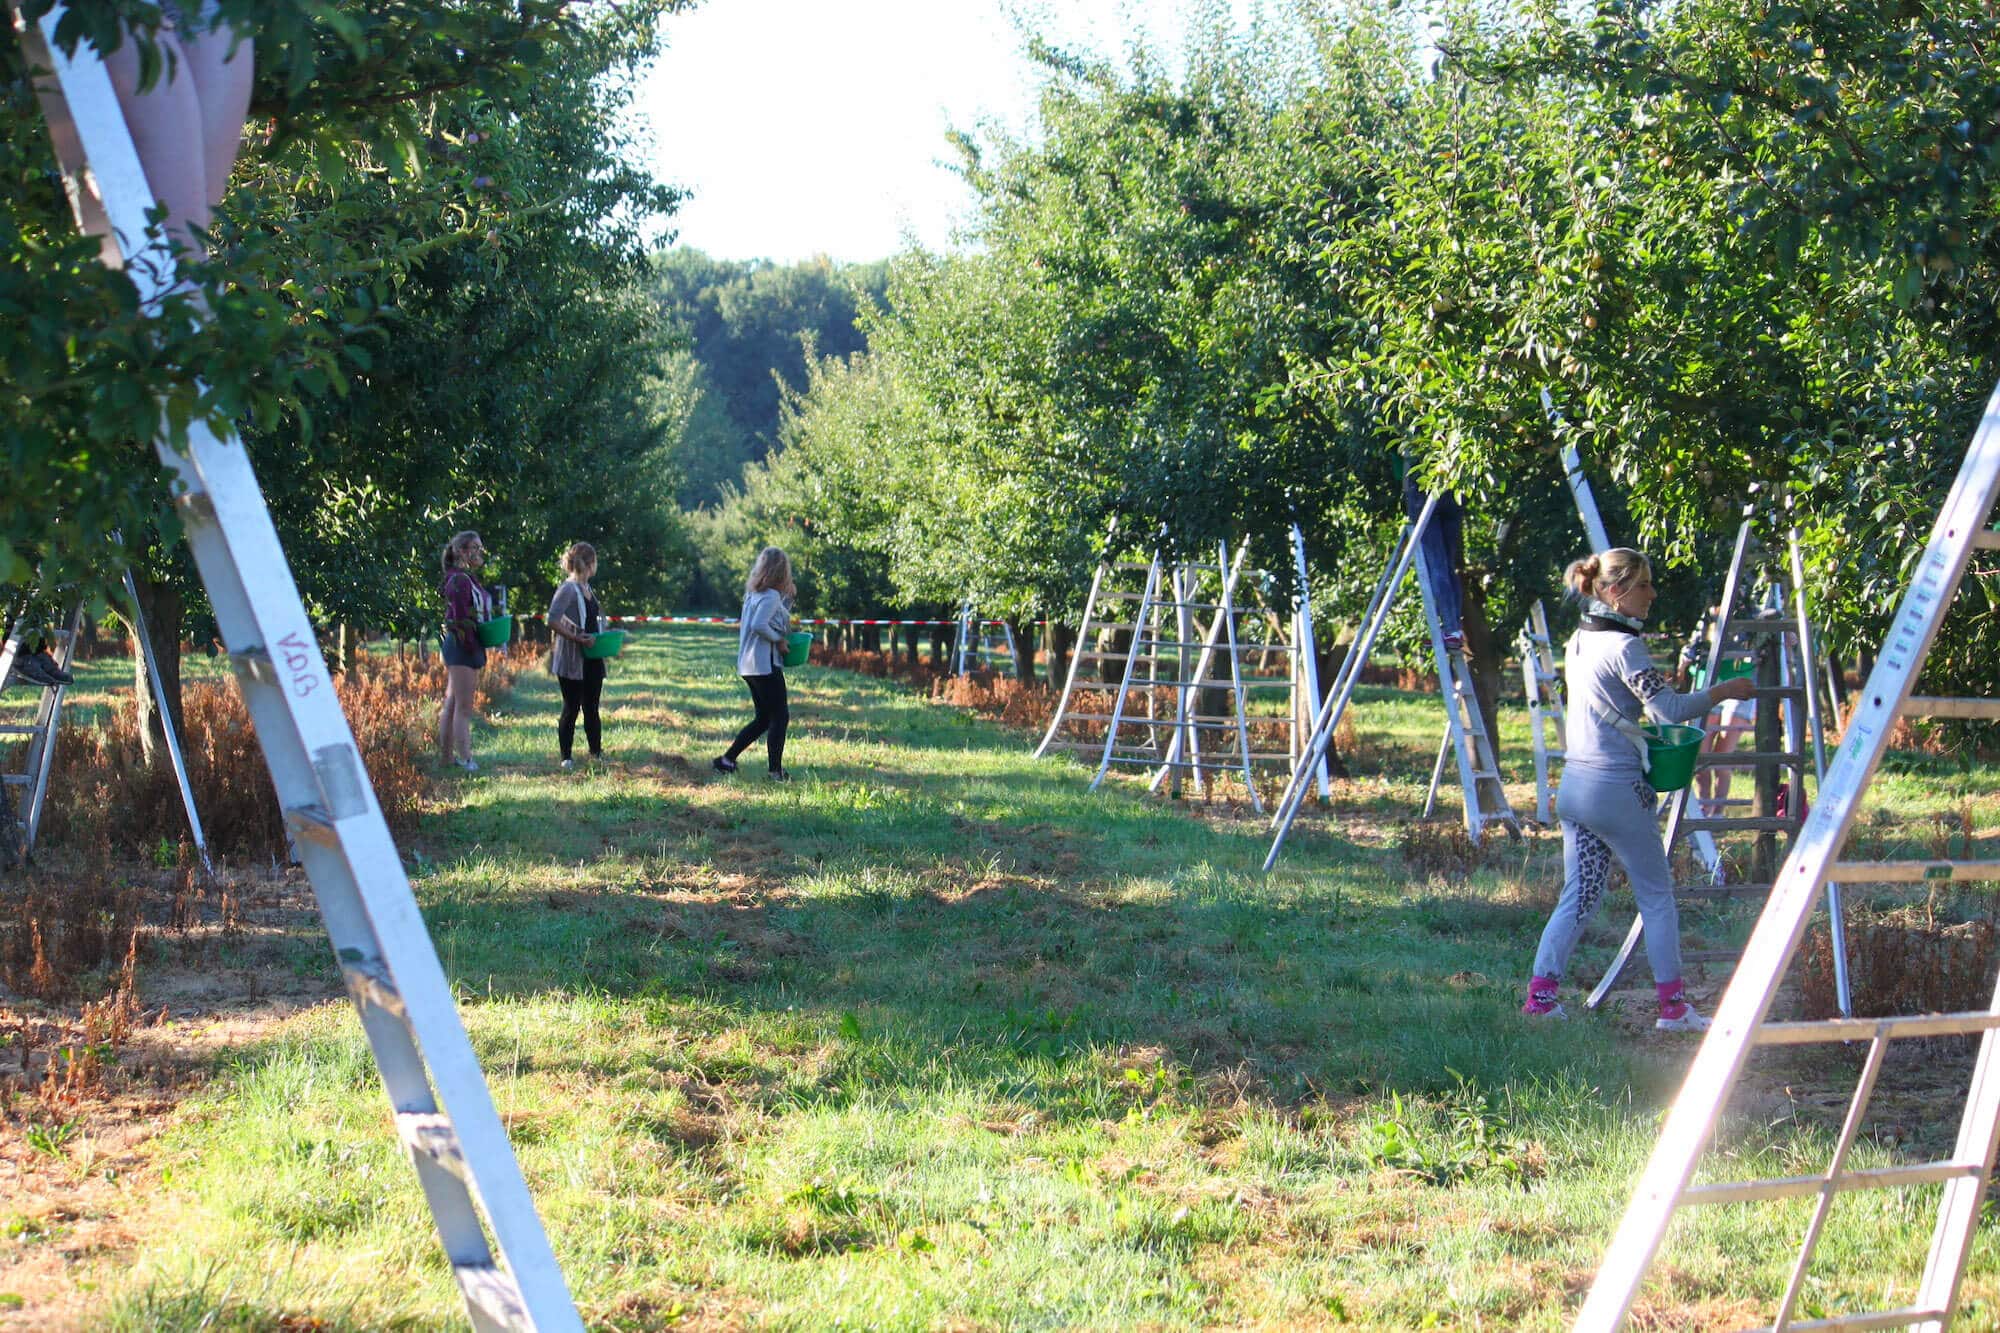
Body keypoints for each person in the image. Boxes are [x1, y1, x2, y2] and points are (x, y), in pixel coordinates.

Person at [1523, 548, 1756, 1030]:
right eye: (1644, 585)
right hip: (1617, 791)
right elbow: (1669, 709)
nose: (1653, 594)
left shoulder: (1579, 641)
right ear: (1614, 591)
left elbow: (1615, 708)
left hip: (1574, 788)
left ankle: (1541, 999)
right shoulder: (1625, 648)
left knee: (1579, 894)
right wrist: (1724, 692)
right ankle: (1673, 1009)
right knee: (1656, 896)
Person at [713, 546, 795, 780]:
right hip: (764, 665)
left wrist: (789, 599)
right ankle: (775, 772)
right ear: (782, 572)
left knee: (764, 718)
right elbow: (760, 625)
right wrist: (779, 641)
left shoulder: (754, 595)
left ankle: (726, 760)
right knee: (780, 716)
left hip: (748, 665)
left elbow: (775, 616)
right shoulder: (769, 596)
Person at [547, 542, 606, 771]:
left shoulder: (588, 588)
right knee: (571, 707)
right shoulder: (568, 589)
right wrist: (577, 638)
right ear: (590, 563)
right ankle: (566, 757)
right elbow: (552, 619)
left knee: (592, 706)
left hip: (593, 656)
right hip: (572, 660)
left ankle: (596, 753)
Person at [438, 530, 491, 773]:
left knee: (452, 703)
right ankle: (466, 759)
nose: (480, 552)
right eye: (476, 548)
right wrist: (473, 649)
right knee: (464, 707)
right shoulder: (458, 580)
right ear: (462, 551)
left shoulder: (465, 578)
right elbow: (459, 620)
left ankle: (447, 759)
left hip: (464, 646)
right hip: (461, 647)